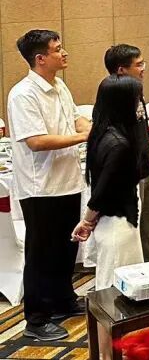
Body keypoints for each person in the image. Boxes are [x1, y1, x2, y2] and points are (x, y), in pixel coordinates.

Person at [6, 30, 90, 341]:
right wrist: (84, 137)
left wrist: (90, 128)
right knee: (40, 254)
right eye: (57, 49)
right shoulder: (23, 94)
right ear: (40, 58)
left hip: (67, 180)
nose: (64, 53)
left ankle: (63, 300)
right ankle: (37, 319)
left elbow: (76, 118)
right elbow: (37, 141)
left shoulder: (59, 86)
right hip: (40, 187)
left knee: (66, 247)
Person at [71, 75, 145, 290]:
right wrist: (86, 221)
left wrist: (89, 221)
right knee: (116, 290)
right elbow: (103, 191)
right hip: (118, 225)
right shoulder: (119, 144)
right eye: (137, 100)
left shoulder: (103, 134)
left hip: (111, 222)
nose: (140, 106)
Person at [103, 43, 149, 262]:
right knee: (130, 228)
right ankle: (137, 268)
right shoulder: (113, 97)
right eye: (139, 64)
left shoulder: (136, 91)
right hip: (128, 174)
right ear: (121, 70)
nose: (143, 69)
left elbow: (140, 130)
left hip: (144, 168)